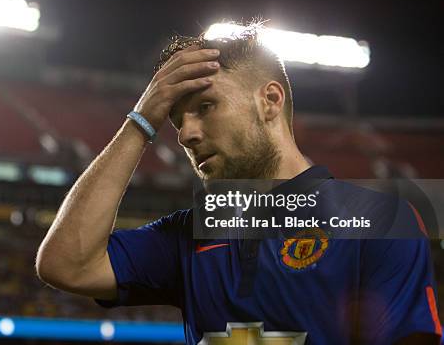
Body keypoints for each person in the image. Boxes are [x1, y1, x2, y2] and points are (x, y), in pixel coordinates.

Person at [36, 20, 441, 344]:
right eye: (175, 121)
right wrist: (142, 120)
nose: (185, 135)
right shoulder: (189, 235)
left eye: (205, 107)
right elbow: (67, 265)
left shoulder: (380, 221)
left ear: (270, 101)